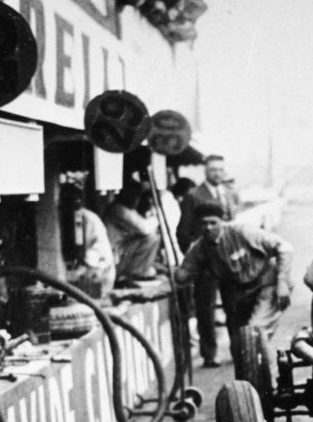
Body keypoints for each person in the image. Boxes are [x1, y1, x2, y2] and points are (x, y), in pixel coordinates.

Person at [175, 201, 292, 364]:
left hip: (268, 285)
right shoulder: (199, 248)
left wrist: (282, 281)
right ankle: (253, 375)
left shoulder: (242, 232)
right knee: (240, 348)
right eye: (203, 224)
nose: (208, 228)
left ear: (221, 221)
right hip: (241, 294)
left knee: (255, 333)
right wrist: (176, 275)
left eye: (213, 222)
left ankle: (271, 374)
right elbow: (182, 276)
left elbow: (284, 247)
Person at [176, 155, 240, 367]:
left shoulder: (230, 194)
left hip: (228, 259)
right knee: (205, 308)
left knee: (234, 306)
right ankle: (209, 354)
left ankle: (238, 350)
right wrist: (196, 257)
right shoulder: (193, 196)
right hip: (205, 262)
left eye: (221, 169)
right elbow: (183, 231)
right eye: (213, 170)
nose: (217, 173)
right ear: (205, 171)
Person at [61, 183, 115, 297]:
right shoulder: (63, 217)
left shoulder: (90, 219)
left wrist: (85, 266)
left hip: (98, 273)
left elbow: (102, 248)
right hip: (75, 273)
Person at [104, 181, 161, 286]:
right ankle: (136, 273)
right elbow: (145, 228)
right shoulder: (119, 209)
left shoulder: (126, 209)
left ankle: (138, 271)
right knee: (152, 237)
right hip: (112, 258)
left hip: (118, 253)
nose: (136, 199)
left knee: (151, 236)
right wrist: (159, 216)